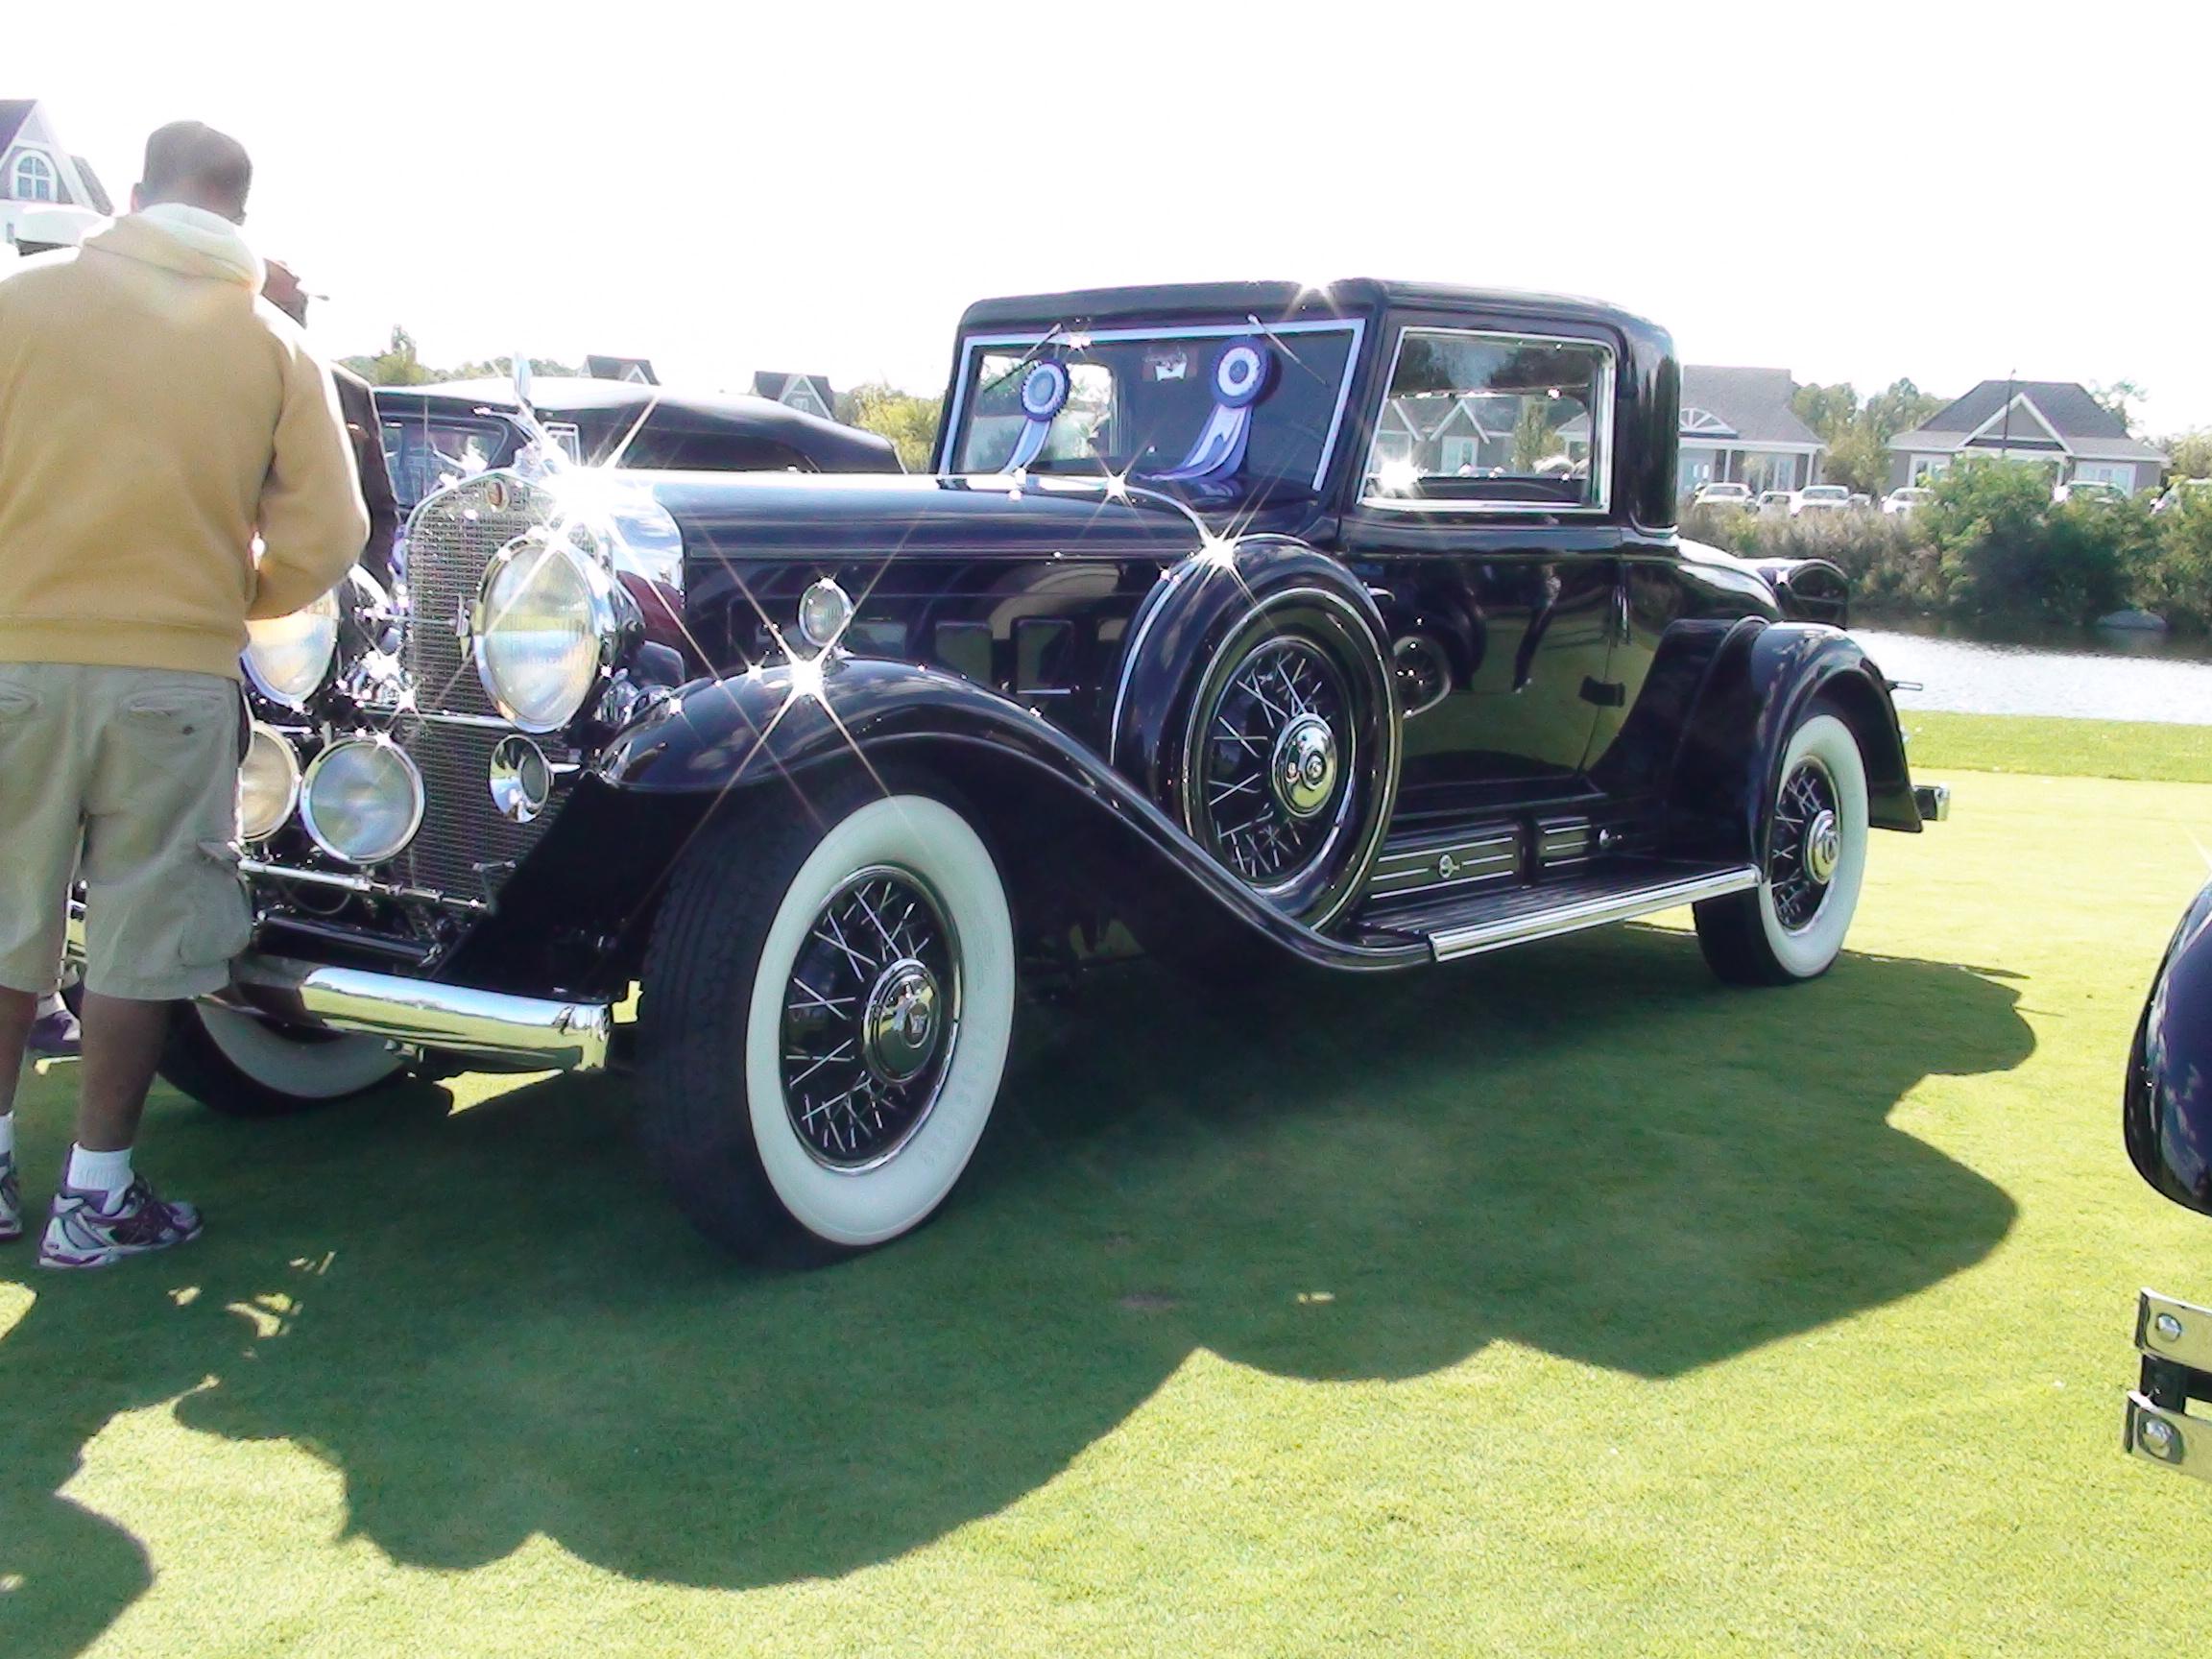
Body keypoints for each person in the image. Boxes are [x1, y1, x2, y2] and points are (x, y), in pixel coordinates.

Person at [0, 121, 368, 1268]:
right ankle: (95, 1201)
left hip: (12, 661)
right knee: (138, 944)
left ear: (134, 194)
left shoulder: (17, 303)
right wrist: (236, 596)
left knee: (4, 925)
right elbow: (334, 533)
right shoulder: (272, 342)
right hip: (173, 677)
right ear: (239, 217)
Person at [262, 258, 400, 591]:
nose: (292, 318)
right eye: (279, 308)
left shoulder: (350, 392)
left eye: (298, 307)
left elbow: (380, 507)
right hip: (245, 591)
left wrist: (368, 579)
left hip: (334, 595)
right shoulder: (218, 390)